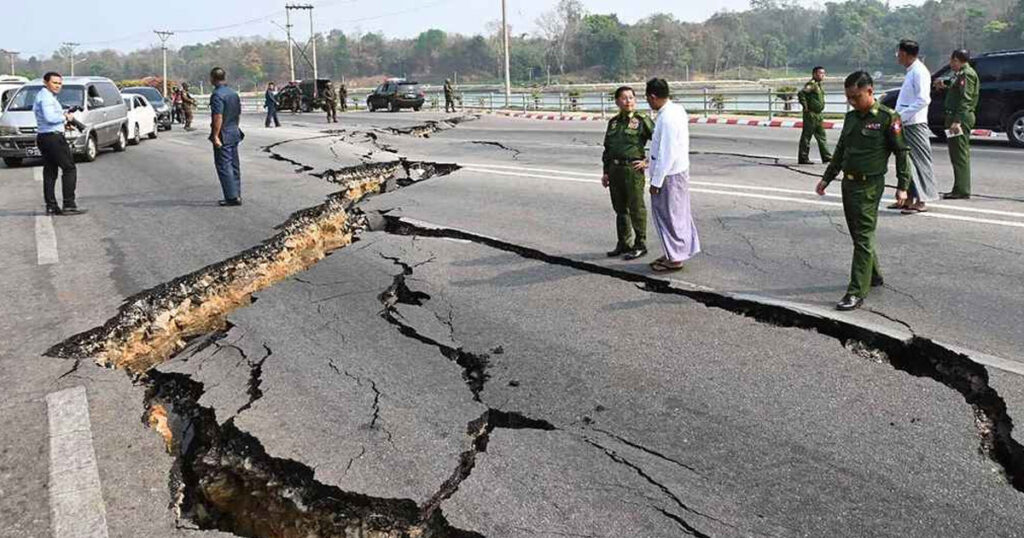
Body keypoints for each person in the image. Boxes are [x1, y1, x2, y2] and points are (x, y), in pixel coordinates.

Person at [816, 71, 910, 311]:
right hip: (848, 183)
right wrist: (827, 178)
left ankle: (856, 290)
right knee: (859, 234)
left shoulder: (888, 118)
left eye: (856, 96)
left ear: (870, 91)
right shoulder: (851, 118)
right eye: (848, 97)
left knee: (864, 235)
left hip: (869, 185)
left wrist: (902, 187)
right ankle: (874, 275)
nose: (852, 101)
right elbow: (840, 150)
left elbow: (901, 152)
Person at [645, 78, 699, 273]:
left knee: (669, 217)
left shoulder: (667, 118)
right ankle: (674, 252)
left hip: (669, 175)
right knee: (679, 214)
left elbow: (667, 153)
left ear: (652, 97)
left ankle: (675, 258)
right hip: (679, 171)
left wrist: (656, 181)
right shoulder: (676, 110)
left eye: (648, 99)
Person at [602, 86, 655, 260]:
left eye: (631, 98)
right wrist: (606, 172)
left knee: (636, 207)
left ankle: (640, 243)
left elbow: (660, 140)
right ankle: (624, 243)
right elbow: (607, 149)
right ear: (617, 101)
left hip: (632, 170)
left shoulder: (642, 120)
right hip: (615, 169)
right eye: (624, 98)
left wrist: (647, 161)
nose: (628, 101)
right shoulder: (614, 122)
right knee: (620, 208)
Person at [893, 39, 937, 213]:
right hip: (905, 123)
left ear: (904, 53)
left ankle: (921, 200)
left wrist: (902, 116)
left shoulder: (919, 72)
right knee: (906, 162)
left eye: (898, 53)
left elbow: (924, 99)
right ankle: (908, 198)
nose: (897, 56)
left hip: (914, 123)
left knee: (920, 162)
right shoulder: (911, 71)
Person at [34, 72, 83, 216]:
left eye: (59, 83)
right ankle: (69, 204)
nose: (57, 86)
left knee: (50, 171)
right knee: (69, 168)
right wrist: (65, 117)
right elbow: (50, 118)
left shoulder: (44, 96)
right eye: (54, 82)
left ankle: (51, 206)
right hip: (53, 138)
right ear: (45, 82)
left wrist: (63, 122)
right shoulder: (46, 98)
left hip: (45, 136)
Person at [935, 49, 979, 200]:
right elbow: (957, 90)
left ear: (957, 60)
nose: (950, 63)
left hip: (959, 118)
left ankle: (962, 189)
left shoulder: (967, 74)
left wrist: (957, 121)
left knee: (959, 154)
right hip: (954, 116)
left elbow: (966, 99)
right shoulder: (960, 74)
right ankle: (958, 187)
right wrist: (945, 86)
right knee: (956, 153)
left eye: (952, 60)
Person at [208, 67, 244, 207]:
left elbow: (218, 116)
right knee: (234, 165)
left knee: (224, 165)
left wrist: (215, 135)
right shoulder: (233, 93)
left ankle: (231, 197)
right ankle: (237, 193)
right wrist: (235, 127)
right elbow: (238, 114)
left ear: (212, 78)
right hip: (234, 130)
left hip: (223, 133)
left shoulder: (217, 95)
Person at [798, 66, 832, 165]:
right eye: (820, 73)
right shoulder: (811, 85)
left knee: (822, 136)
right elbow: (801, 94)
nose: (822, 75)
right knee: (806, 136)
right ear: (814, 74)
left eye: (823, 73)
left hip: (818, 115)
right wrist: (806, 107)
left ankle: (826, 157)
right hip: (811, 115)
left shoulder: (818, 85)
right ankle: (803, 157)